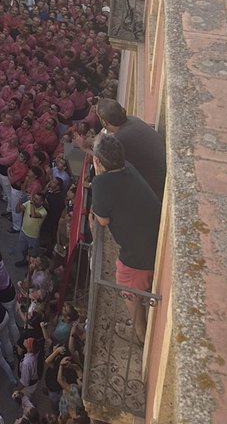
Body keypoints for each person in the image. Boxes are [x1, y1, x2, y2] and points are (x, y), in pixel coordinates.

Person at [90, 131, 161, 343]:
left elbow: (102, 220)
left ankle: (138, 331)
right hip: (153, 238)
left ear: (97, 161)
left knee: (124, 282)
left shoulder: (101, 183)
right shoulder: (127, 166)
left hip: (139, 254)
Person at [95, 98, 166, 199]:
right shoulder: (132, 119)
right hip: (163, 165)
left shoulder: (119, 140)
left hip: (159, 184)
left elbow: (112, 170)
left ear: (105, 123)